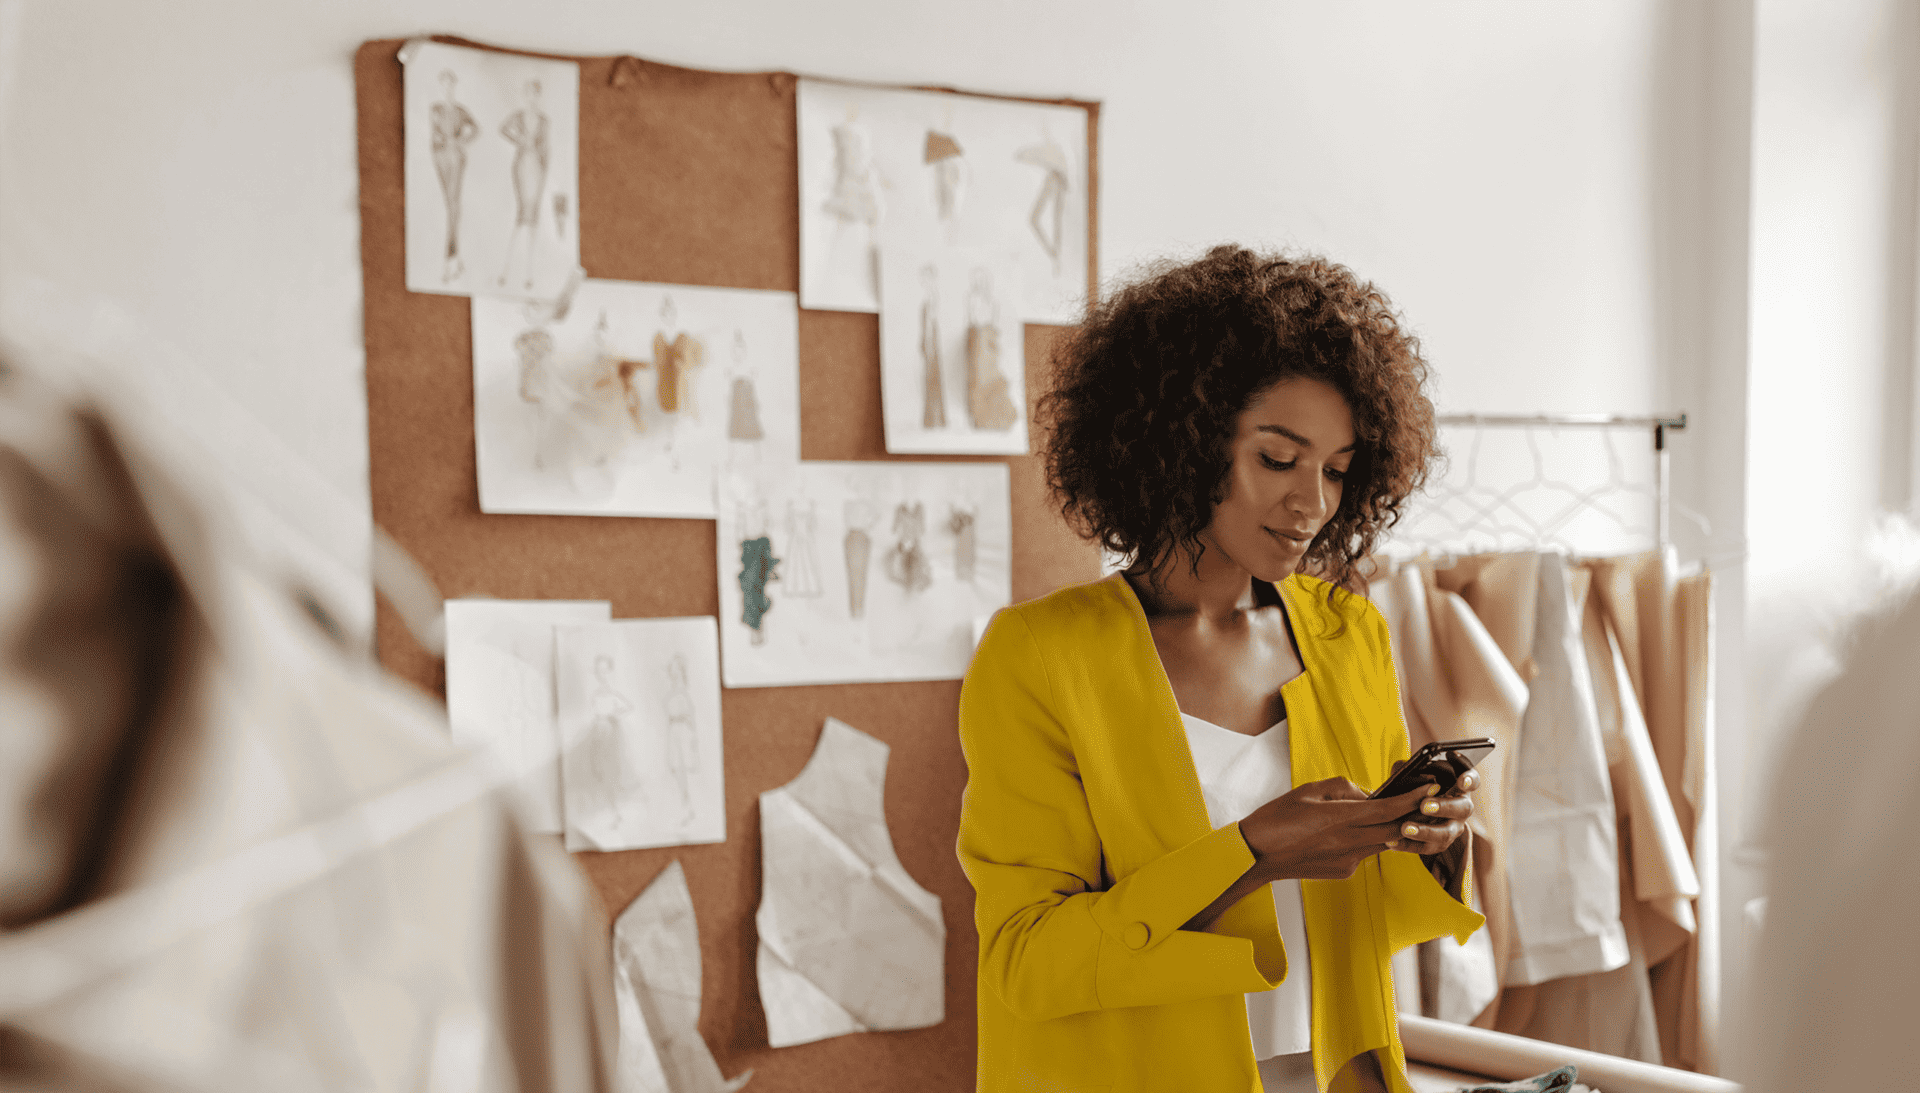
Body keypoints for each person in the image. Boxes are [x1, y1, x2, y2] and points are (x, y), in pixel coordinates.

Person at [957, 247, 1484, 1093]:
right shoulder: (1041, 656)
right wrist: (1253, 851)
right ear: (1183, 442)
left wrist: (1429, 841)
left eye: (1338, 470)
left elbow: (1368, 918)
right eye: (1278, 459)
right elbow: (1029, 959)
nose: (1313, 502)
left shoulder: (1348, 633)